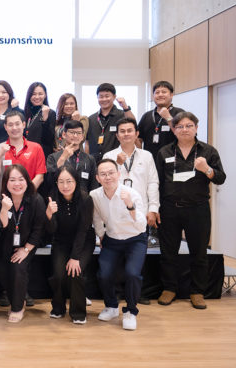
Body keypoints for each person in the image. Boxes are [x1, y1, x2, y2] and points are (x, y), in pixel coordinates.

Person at [155, 112, 226, 309]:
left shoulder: (208, 151)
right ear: (174, 130)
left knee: (199, 252)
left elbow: (220, 178)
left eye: (189, 126)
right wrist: (155, 207)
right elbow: (157, 182)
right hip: (169, 209)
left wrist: (207, 169)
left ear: (196, 127)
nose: (184, 129)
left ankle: (197, 292)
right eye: (180, 126)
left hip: (198, 209)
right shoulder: (164, 152)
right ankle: (169, 289)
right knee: (168, 252)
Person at [91, 159, 147, 331]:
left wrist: (130, 205)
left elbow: (142, 226)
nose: (107, 177)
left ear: (118, 174)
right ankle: (111, 306)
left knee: (132, 274)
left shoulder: (131, 194)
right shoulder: (95, 195)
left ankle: (131, 311)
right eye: (103, 174)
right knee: (104, 274)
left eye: (111, 173)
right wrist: (101, 235)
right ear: (98, 178)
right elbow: (96, 218)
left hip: (135, 239)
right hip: (112, 239)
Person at [0, 164, 45, 323]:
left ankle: (17, 308)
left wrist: (26, 249)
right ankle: (17, 300)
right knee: (3, 272)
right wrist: (4, 209)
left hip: (28, 244)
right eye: (12, 180)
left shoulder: (36, 199)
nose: (17, 184)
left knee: (18, 267)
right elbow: (0, 227)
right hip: (4, 245)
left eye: (21, 179)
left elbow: (39, 229)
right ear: (6, 183)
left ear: (27, 181)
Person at [46, 166, 95, 324]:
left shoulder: (86, 199)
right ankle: (58, 307)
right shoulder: (52, 197)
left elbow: (83, 231)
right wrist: (49, 215)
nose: (65, 186)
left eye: (69, 181)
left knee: (76, 272)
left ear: (76, 181)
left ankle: (78, 312)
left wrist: (75, 257)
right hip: (61, 241)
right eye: (61, 182)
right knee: (58, 274)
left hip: (83, 242)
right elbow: (51, 230)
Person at [103, 118, 159, 232]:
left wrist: (153, 209)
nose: (126, 134)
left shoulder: (146, 156)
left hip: (141, 211)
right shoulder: (109, 156)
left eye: (129, 130)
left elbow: (152, 183)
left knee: (140, 241)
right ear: (117, 136)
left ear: (136, 134)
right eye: (122, 131)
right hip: (116, 212)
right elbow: (105, 184)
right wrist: (118, 165)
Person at [0, 110, 46, 194]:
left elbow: (40, 176)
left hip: (29, 197)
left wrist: (26, 194)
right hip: (4, 198)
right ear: (5, 127)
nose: (14, 128)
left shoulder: (36, 148)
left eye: (17, 124)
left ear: (23, 125)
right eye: (10, 125)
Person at [86, 83, 136, 162]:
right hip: (94, 162)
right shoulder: (91, 118)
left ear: (114, 97)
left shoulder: (122, 115)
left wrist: (125, 107)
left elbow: (133, 124)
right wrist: (87, 161)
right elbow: (87, 143)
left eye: (107, 96)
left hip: (116, 161)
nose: (104, 99)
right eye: (101, 96)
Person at [46, 120, 98, 193]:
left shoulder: (89, 159)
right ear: (64, 134)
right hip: (60, 197)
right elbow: (49, 182)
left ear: (82, 136)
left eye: (79, 133)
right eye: (72, 132)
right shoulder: (52, 157)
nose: (75, 136)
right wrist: (63, 158)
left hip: (83, 198)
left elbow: (94, 186)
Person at [138, 81, 185, 159]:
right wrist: (140, 156)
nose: (160, 95)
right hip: (150, 160)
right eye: (157, 92)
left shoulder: (180, 113)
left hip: (173, 159)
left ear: (171, 95)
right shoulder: (146, 115)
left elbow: (183, 134)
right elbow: (139, 138)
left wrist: (168, 117)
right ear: (153, 96)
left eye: (164, 92)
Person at [23, 82, 56, 157]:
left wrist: (45, 119)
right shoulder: (25, 113)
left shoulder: (50, 113)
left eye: (40, 94)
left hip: (42, 154)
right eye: (34, 94)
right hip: (26, 154)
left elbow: (49, 139)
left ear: (45, 95)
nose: (37, 97)